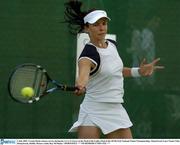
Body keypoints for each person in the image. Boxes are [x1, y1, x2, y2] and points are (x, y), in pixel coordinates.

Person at [63, 1, 164, 139]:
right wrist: (81, 84)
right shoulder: (87, 55)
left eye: (104, 23)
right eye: (96, 25)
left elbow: (116, 70)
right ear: (87, 28)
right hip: (93, 110)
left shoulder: (112, 45)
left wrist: (138, 71)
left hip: (115, 108)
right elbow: (83, 75)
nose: (101, 28)